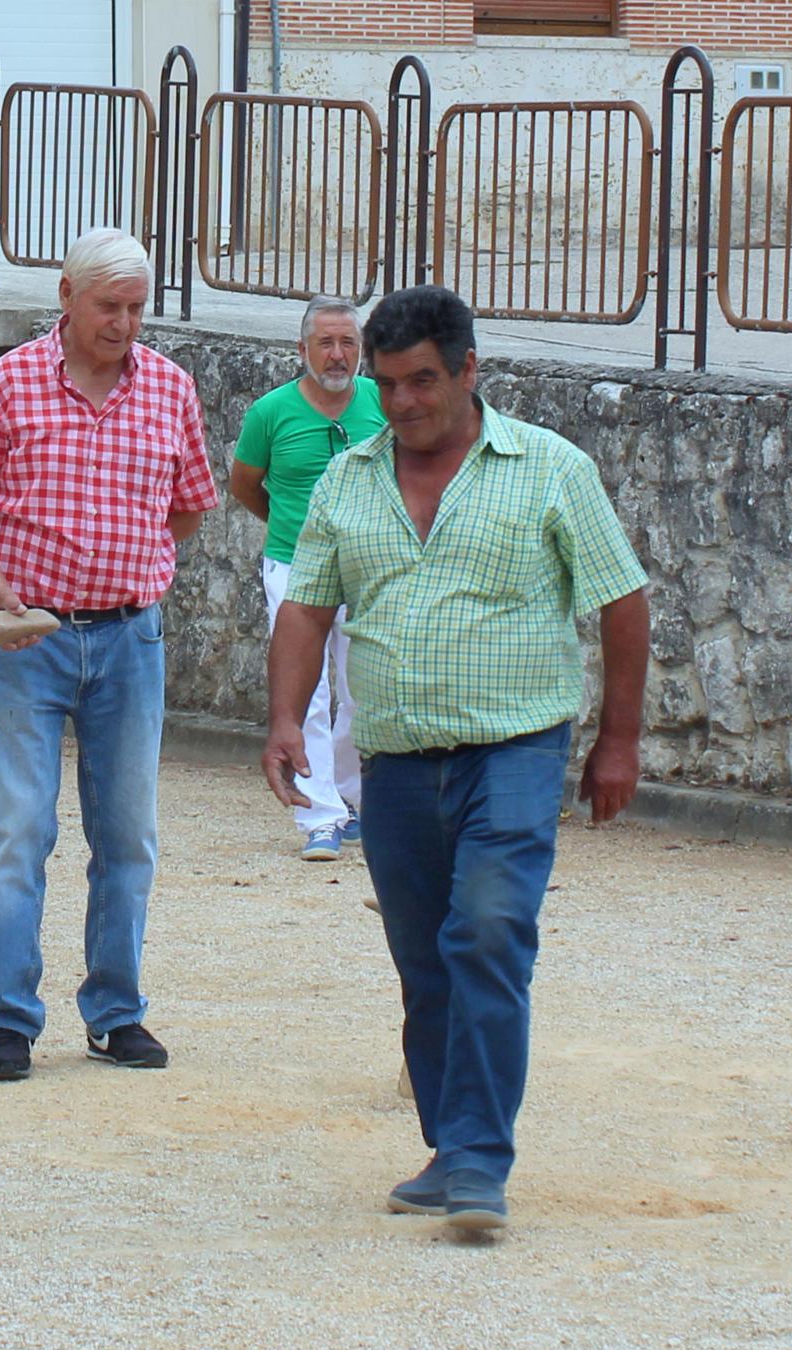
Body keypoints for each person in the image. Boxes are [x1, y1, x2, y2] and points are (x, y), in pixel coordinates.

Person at [267, 283, 651, 1247]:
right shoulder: (349, 480)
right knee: (423, 959)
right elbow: (308, 606)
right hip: (395, 761)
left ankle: (480, 1158)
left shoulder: (549, 468)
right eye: (388, 384)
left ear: (470, 370)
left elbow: (620, 599)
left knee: (486, 929)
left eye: (422, 381)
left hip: (515, 746)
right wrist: (282, 719)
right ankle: (449, 1147)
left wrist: (617, 739)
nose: (401, 403)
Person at [0, 225, 214, 1083]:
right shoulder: (0, 387)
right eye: (109, 306)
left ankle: (115, 1011)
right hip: (31, 638)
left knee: (128, 832)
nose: (125, 324)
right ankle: (9, 1021)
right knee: (19, 829)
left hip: (131, 635)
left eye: (136, 308)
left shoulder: (170, 388)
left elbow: (189, 504)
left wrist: (134, 570)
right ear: (65, 296)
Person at [231, 297, 384, 863]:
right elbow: (246, 483)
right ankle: (318, 815)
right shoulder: (271, 412)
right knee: (307, 692)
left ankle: (351, 798)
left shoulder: (381, 402)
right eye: (326, 343)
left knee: (365, 686)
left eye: (348, 343)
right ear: (302, 350)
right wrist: (287, 530)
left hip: (369, 567)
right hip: (296, 567)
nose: (338, 355)